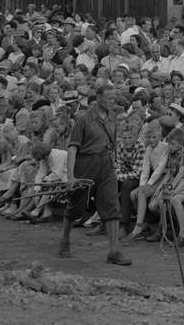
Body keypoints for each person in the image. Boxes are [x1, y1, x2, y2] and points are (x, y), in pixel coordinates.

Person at [57, 84, 131, 266]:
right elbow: (72, 149)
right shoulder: (83, 119)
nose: (112, 101)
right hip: (86, 165)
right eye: (109, 98)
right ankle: (65, 240)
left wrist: (113, 165)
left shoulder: (113, 116)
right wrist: (71, 177)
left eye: (114, 98)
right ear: (98, 97)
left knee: (112, 205)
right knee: (76, 206)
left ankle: (114, 251)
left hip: (106, 166)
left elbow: (113, 144)